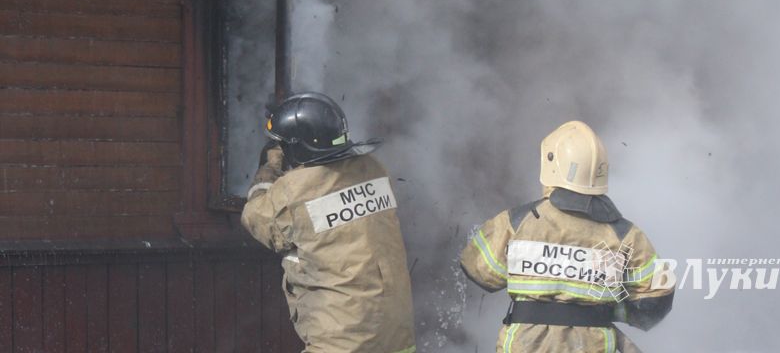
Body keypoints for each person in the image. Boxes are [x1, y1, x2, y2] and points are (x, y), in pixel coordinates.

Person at [460, 120, 673, 352]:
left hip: (527, 345)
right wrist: (605, 308)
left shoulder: (518, 221)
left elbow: (478, 269)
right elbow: (656, 300)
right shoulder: (626, 236)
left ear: (551, 164)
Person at [241, 91, 416, 353]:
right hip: (396, 338)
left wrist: (271, 166)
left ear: (297, 147)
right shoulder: (374, 169)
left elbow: (256, 218)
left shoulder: (294, 191)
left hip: (342, 342)